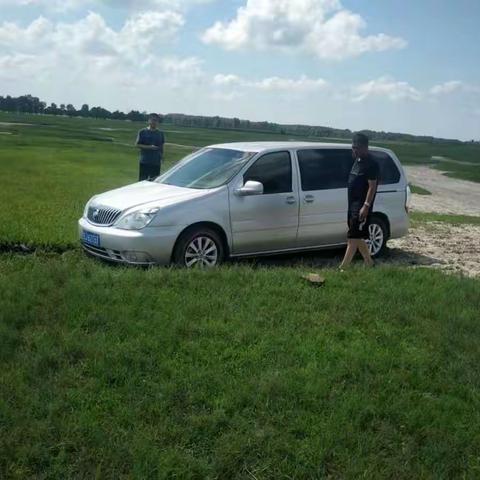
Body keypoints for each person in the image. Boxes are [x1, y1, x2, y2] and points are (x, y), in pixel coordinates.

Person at [340, 132, 379, 269]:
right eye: (353, 147)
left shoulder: (371, 164)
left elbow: (372, 186)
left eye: (356, 148)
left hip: (362, 207)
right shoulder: (357, 161)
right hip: (352, 205)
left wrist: (366, 206)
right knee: (356, 235)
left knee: (352, 237)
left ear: (365, 147)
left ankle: (343, 268)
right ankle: (370, 263)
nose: (354, 150)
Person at [135, 113, 165, 181]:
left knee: (154, 182)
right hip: (145, 161)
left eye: (156, 120)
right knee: (142, 181)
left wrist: (162, 156)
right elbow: (137, 144)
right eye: (153, 120)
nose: (154, 122)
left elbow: (161, 146)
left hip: (156, 162)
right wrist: (149, 147)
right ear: (149, 121)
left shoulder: (160, 133)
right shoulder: (142, 132)